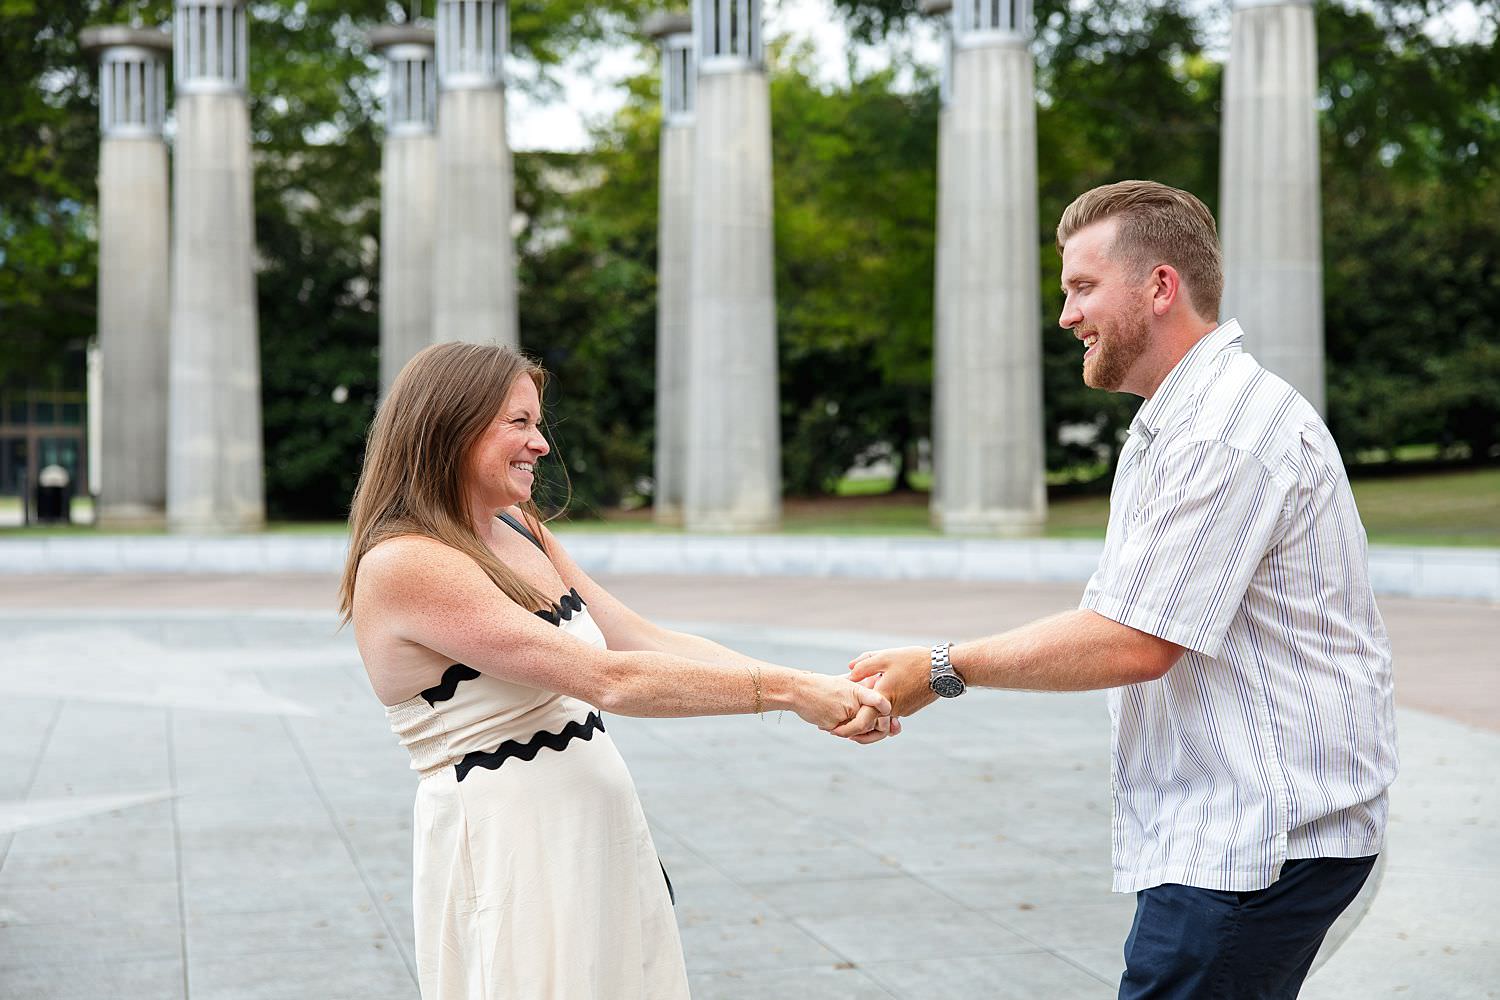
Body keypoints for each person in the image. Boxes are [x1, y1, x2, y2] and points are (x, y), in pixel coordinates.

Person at [849, 180, 1398, 999]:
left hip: (1256, 841)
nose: (1066, 315)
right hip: (1239, 830)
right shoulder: (1185, 418)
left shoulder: (1223, 429)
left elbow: (1133, 641)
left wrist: (940, 668)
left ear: (1160, 286)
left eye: (1082, 287)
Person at [337, 342, 890, 1000]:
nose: (541, 443)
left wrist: (825, 685)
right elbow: (611, 680)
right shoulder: (406, 562)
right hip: (511, 848)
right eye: (519, 422)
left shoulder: (519, 527)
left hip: (594, 833)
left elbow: (643, 640)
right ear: (451, 426)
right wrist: (793, 693)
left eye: (538, 423)